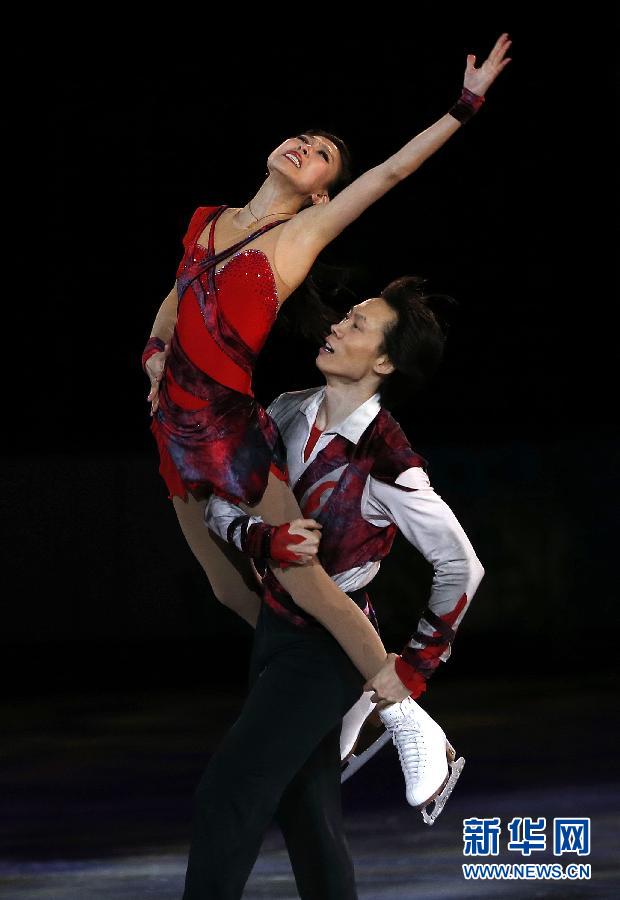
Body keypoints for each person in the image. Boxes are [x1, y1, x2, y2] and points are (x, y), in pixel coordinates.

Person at [142, 33, 510, 806]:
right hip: (172, 429)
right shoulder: (208, 221)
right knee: (227, 589)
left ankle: (406, 717)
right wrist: (153, 353)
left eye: (320, 156)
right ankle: (318, 686)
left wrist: (464, 104)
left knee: (303, 578)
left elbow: (392, 170)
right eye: (303, 139)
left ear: (319, 195)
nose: (304, 147)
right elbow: (178, 298)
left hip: (229, 427)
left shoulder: (298, 235)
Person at [180, 277, 484, 898]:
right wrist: (262, 541)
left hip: (327, 651)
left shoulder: (389, 460)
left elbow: (462, 567)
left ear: (384, 361)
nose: (337, 327)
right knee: (306, 812)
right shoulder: (288, 410)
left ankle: (399, 712)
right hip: (274, 629)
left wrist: (416, 664)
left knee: (230, 794)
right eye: (344, 316)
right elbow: (219, 504)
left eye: (357, 325)